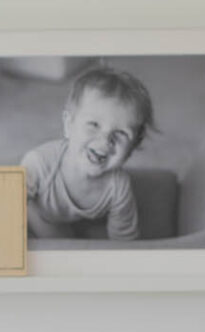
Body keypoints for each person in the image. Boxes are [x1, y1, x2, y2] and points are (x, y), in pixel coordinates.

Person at [20, 65, 152, 242]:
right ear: (69, 125)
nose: (105, 140)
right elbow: (6, 211)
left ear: (132, 148)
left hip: (71, 218)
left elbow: (125, 241)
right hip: (38, 213)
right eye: (94, 125)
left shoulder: (118, 186)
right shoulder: (39, 163)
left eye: (121, 133)